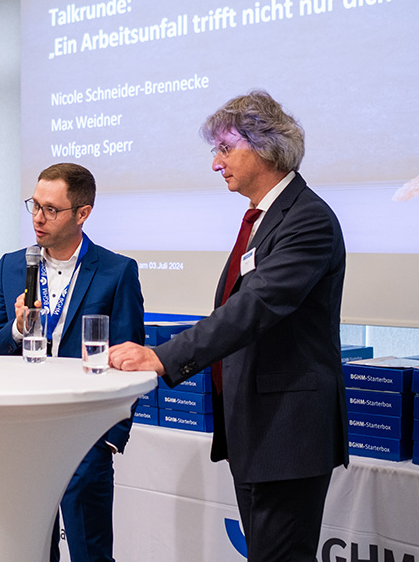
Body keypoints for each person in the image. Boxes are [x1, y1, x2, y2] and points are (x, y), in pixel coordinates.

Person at [109, 91, 348, 562]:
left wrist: (163, 356)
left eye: (224, 148)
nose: (216, 163)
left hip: (289, 434)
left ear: (264, 145)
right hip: (256, 429)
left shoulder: (308, 220)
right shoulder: (264, 219)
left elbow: (255, 307)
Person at [0, 162, 145, 562]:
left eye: (51, 209)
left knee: (90, 553)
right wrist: (19, 330)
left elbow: (130, 359)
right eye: (34, 206)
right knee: (30, 550)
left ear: (82, 213)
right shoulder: (11, 266)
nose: (38, 218)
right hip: (21, 433)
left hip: (84, 436)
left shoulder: (116, 271)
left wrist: (108, 437)